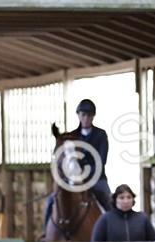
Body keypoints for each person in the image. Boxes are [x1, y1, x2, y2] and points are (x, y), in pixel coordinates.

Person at [44, 98, 112, 230]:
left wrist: (86, 177)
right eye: (83, 115)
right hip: (74, 180)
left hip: (96, 179)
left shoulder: (101, 135)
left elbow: (101, 160)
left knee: (109, 203)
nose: (86, 118)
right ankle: (46, 233)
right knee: (51, 201)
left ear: (93, 117)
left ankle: (113, 234)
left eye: (89, 115)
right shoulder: (73, 136)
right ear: (79, 116)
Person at [90, 184, 155, 242]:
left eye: (129, 197)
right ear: (115, 200)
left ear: (133, 199)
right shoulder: (105, 219)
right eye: (121, 198)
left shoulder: (143, 218)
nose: (126, 201)